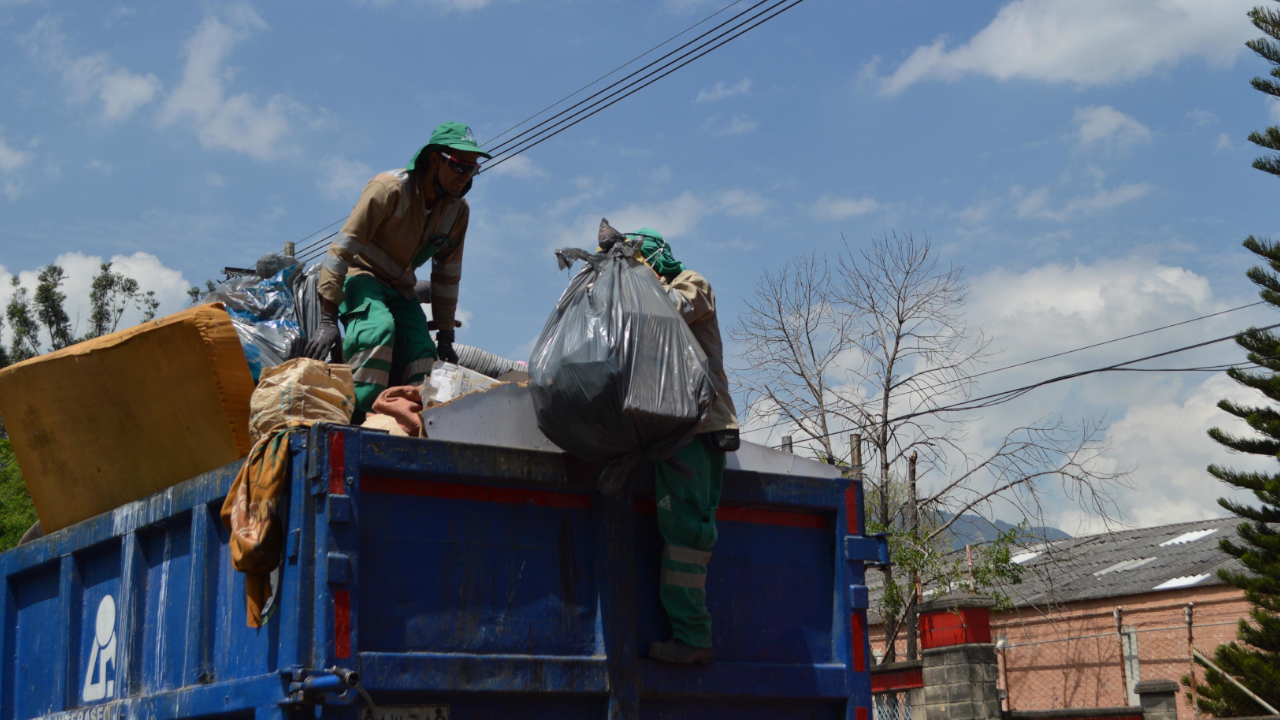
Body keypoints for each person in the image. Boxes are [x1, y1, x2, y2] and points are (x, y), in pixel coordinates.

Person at [305, 122, 490, 418]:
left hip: (401, 286)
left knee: (422, 354)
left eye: (472, 170)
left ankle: (412, 423)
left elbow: (447, 276)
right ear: (434, 159)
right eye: (458, 166)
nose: (465, 177)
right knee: (377, 330)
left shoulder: (457, 211)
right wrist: (327, 319)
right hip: (360, 275)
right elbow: (341, 251)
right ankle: (362, 418)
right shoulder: (389, 189)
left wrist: (444, 337)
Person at [632, 227, 740, 665]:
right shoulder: (640, 311)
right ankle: (690, 632)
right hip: (673, 433)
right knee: (678, 529)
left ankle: (694, 638)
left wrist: (636, 285)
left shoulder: (692, 283)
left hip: (699, 429)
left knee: (688, 534)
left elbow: (670, 310)